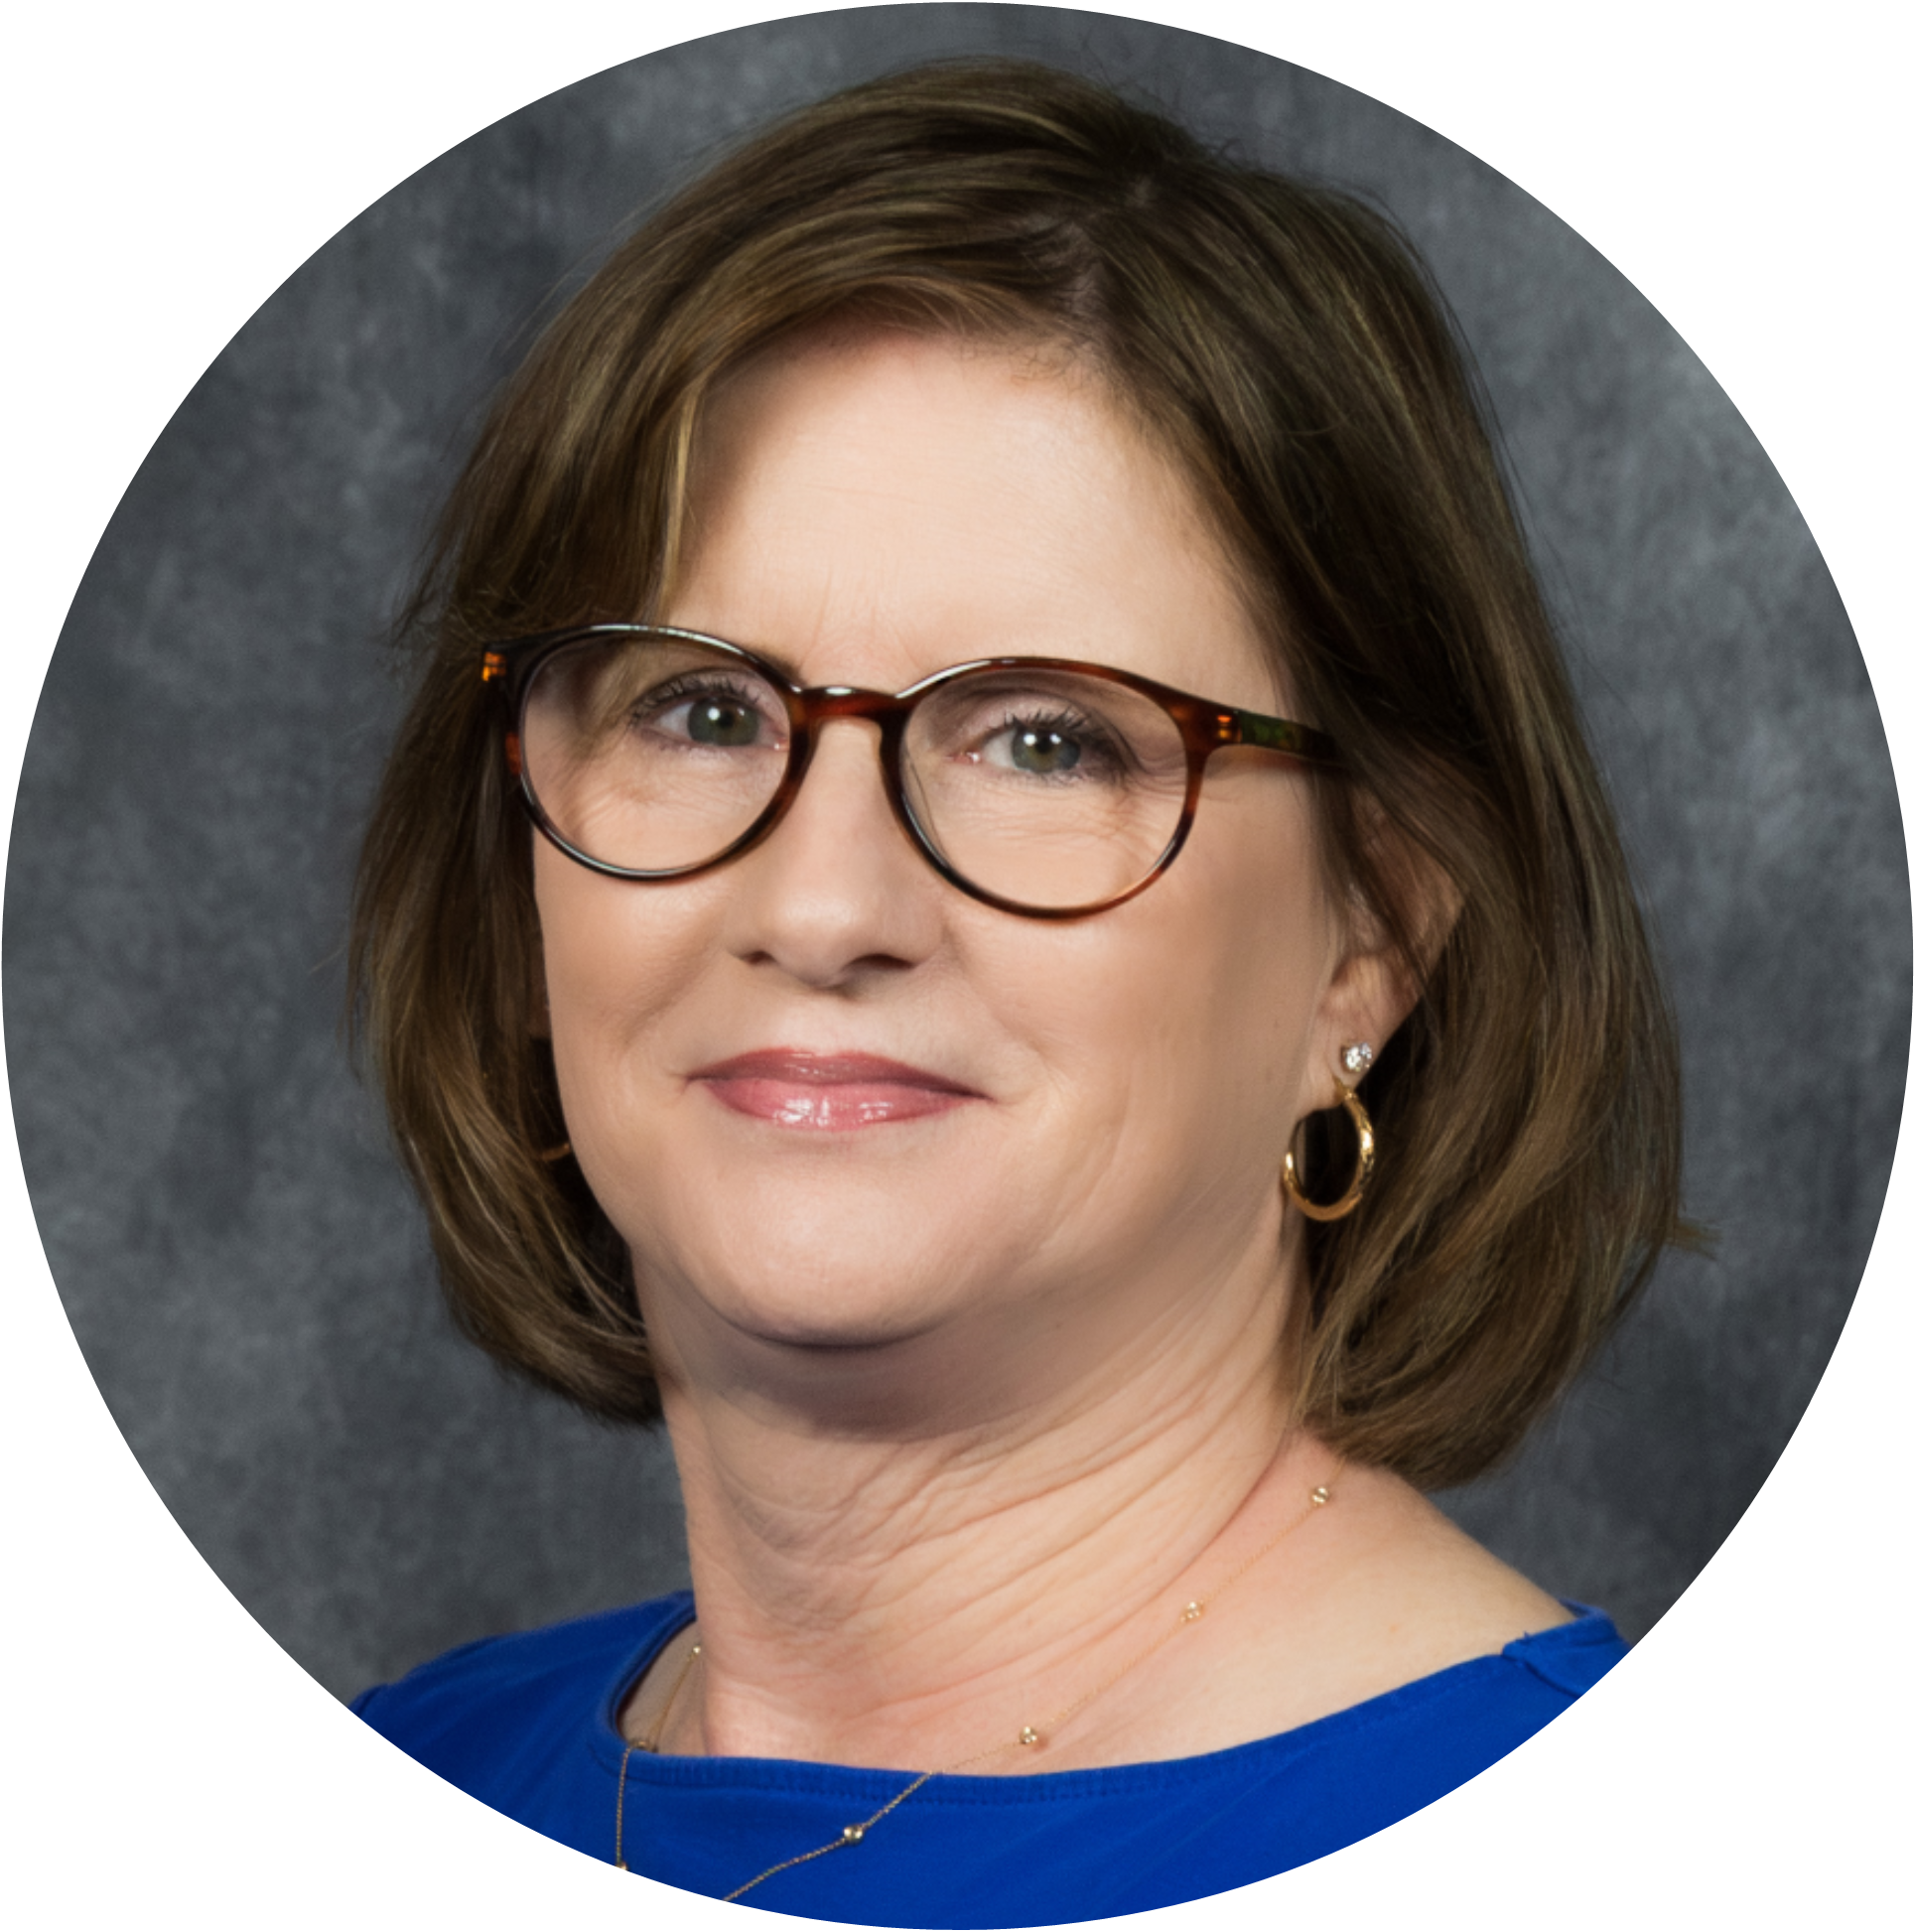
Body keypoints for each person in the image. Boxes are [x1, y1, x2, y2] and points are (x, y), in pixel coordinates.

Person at [346, 58, 1690, 1921]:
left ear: (1373, 923)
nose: (822, 904)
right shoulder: (428, 1744)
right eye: (700, 709)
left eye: (1048, 741)